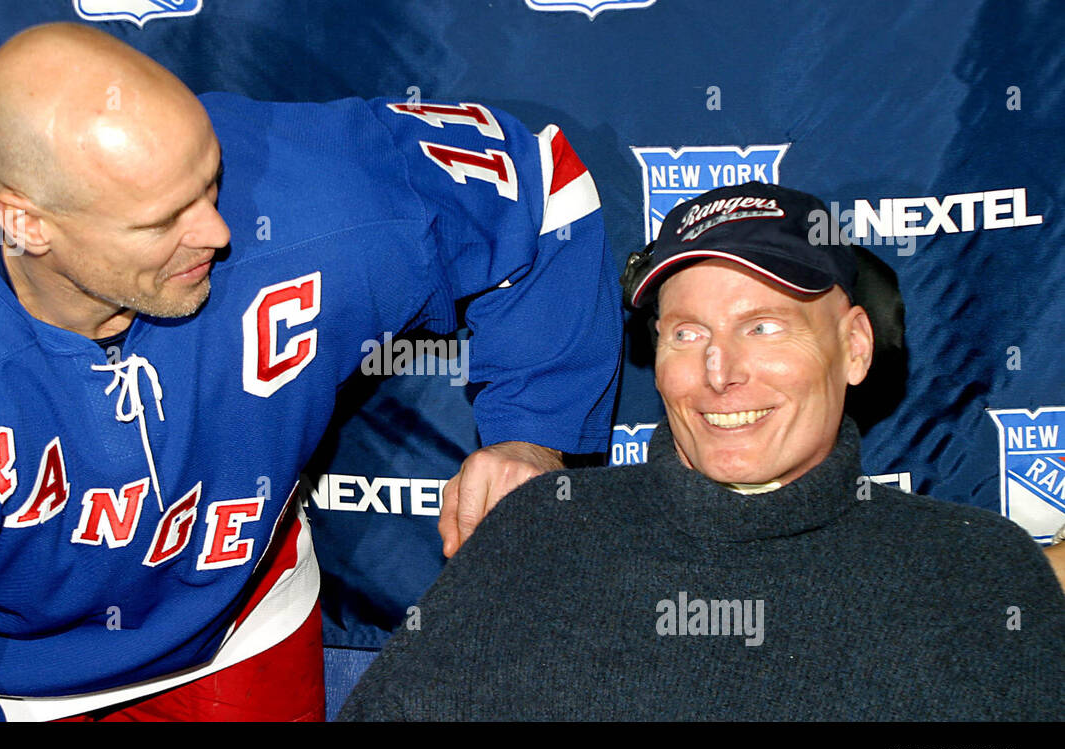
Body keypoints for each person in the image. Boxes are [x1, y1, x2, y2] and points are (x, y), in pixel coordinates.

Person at [0, 23, 621, 721]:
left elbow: (542, 191)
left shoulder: (315, 194)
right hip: (6, 676)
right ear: (26, 226)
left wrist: (535, 437)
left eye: (210, 182)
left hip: (241, 628)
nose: (216, 231)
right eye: (161, 220)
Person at [339, 182, 1065, 721]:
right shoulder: (540, 534)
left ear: (854, 346)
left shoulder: (975, 569)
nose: (721, 372)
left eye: (765, 328)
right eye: (686, 334)